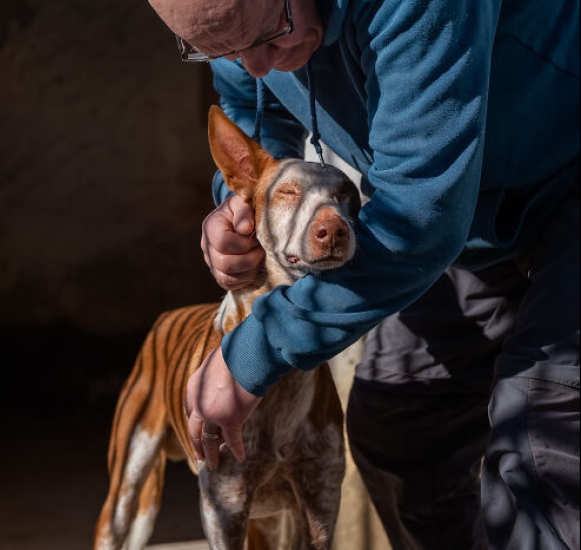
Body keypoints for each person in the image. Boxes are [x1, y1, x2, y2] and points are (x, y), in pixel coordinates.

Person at [146, 0, 580, 548]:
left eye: (270, 33)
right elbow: (255, 114)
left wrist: (256, 351)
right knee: (403, 429)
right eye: (221, 51)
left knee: (545, 437)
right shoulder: (244, 28)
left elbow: (418, 214)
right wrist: (245, 209)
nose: (255, 65)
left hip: (552, 179)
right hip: (469, 223)